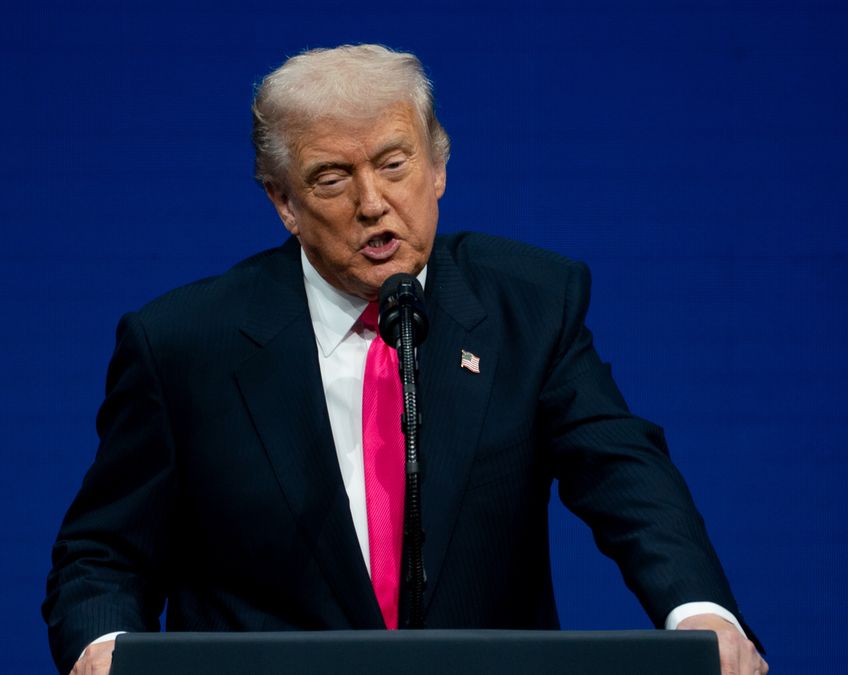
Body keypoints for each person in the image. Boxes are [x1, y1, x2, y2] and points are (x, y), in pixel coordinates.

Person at [43, 44, 768, 675]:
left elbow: (622, 470)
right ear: (283, 201)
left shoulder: (530, 306)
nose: (373, 202)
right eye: (332, 178)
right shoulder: (184, 344)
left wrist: (699, 611)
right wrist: (105, 643)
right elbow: (101, 552)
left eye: (395, 164)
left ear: (439, 168)